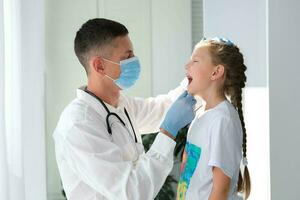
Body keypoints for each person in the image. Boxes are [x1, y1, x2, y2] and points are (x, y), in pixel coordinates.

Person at [53, 18, 196, 200]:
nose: (134, 61)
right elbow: (132, 193)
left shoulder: (120, 105)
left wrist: (194, 79)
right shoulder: (78, 125)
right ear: (99, 65)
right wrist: (167, 133)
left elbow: (163, 108)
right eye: (127, 57)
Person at [176, 37, 251, 200]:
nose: (186, 66)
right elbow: (185, 178)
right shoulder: (201, 114)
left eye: (195, 61)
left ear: (216, 72)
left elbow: (220, 190)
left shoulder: (223, 120)